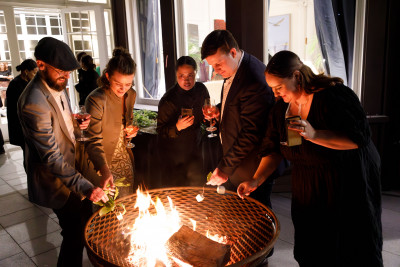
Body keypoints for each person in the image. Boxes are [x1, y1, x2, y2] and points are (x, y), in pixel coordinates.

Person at [237, 50, 383, 266]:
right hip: (308, 182)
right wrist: (256, 180)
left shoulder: (335, 96)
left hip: (347, 179)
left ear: (296, 76)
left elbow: (357, 139)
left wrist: (314, 134)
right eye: (273, 89)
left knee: (349, 243)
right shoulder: (280, 110)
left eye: (278, 87)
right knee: (312, 243)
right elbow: (273, 149)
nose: (276, 94)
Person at [17, 37, 108, 267]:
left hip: (73, 170)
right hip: (56, 181)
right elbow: (52, 158)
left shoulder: (56, 84)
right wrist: (87, 188)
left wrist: (76, 123)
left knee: (84, 226)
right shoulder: (33, 102)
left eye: (69, 72)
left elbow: (62, 125)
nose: (66, 77)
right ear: (40, 65)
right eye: (61, 71)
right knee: (74, 235)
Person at [201, 30, 276, 207]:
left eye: (218, 64)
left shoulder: (253, 79)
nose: (216, 70)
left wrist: (225, 169)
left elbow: (251, 132)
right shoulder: (234, 68)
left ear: (233, 52)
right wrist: (220, 111)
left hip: (252, 169)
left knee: (257, 218)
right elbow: (238, 105)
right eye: (212, 66)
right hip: (239, 164)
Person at [79, 47, 138, 198]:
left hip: (124, 158)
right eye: (118, 83)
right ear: (107, 76)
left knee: (127, 204)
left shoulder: (131, 94)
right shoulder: (96, 99)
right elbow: (92, 140)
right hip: (103, 161)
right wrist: (104, 170)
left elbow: (125, 123)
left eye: (128, 84)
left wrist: (130, 132)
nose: (123, 88)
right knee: (107, 209)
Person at [157, 56, 210, 186]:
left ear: (196, 74)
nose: (186, 80)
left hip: (196, 149)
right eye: (182, 76)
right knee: (179, 193)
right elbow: (160, 131)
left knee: (197, 188)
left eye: (190, 75)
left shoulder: (201, 90)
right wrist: (177, 127)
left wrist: (210, 119)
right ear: (176, 75)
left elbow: (206, 113)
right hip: (175, 156)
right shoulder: (168, 99)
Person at [6, 59, 38, 149]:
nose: (35, 76)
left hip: (28, 124)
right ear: (26, 71)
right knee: (27, 152)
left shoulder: (29, 82)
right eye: (34, 73)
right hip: (20, 125)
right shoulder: (15, 84)